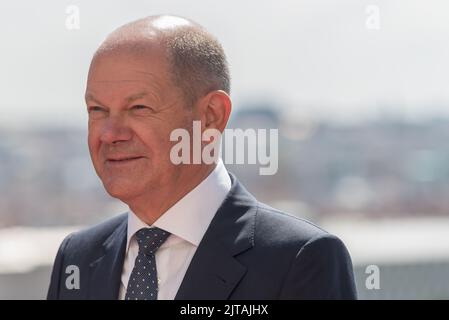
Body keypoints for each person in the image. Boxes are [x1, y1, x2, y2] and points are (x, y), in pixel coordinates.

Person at [47, 15, 357, 300]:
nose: (110, 134)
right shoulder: (76, 259)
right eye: (97, 110)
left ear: (210, 117)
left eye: (138, 108)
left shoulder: (299, 259)